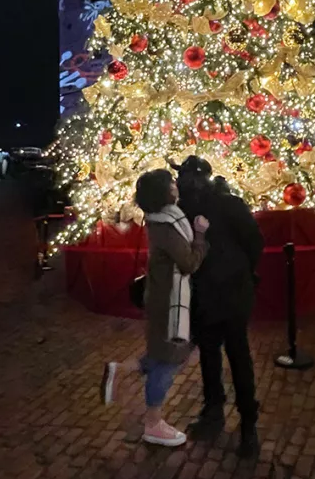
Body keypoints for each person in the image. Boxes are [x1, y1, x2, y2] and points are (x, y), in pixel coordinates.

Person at [100, 169, 208, 447]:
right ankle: (153, 422)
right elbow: (188, 263)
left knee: (164, 353)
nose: (176, 185)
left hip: (163, 296)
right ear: (164, 192)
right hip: (168, 301)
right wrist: (200, 237)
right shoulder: (166, 225)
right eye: (171, 183)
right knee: (168, 361)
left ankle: (120, 370)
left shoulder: (164, 218)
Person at [175, 156, 264, 458]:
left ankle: (224, 412)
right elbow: (254, 242)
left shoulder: (186, 210)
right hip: (224, 292)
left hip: (211, 292)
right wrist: (244, 270)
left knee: (218, 354)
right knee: (231, 354)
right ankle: (240, 420)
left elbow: (253, 242)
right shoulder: (228, 204)